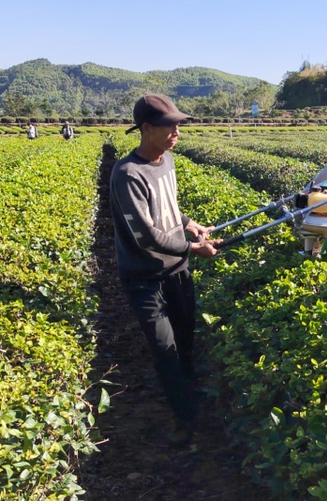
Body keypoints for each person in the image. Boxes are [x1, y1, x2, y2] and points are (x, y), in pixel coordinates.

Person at [110, 94, 222, 445]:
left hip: (178, 270)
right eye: (169, 125)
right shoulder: (127, 174)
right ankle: (184, 419)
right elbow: (146, 237)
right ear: (146, 129)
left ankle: (187, 396)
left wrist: (189, 224)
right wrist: (194, 248)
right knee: (165, 348)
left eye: (178, 124)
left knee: (185, 340)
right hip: (145, 278)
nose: (177, 131)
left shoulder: (167, 160)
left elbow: (169, 207)